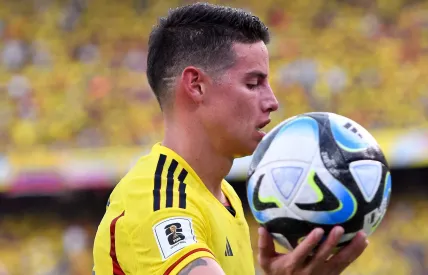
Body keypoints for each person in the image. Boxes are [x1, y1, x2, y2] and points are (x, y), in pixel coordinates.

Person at [92, 3, 368, 275]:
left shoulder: (226, 196)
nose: (272, 102)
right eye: (253, 84)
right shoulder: (157, 201)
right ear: (196, 85)